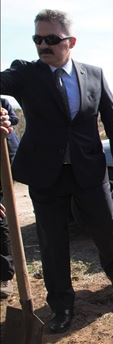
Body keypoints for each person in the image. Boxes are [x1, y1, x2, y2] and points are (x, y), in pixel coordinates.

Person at [0, 9, 113, 334]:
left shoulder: (94, 74)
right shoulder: (25, 74)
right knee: (52, 243)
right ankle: (62, 306)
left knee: (105, 227)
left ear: (70, 41)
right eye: (38, 39)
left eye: (51, 39)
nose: (43, 45)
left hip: (89, 169)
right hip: (47, 173)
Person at [0, 97, 20, 298]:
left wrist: (6, 119)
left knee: (1, 219)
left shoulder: (2, 102)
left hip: (5, 159)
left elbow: (14, 120)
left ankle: (4, 275)